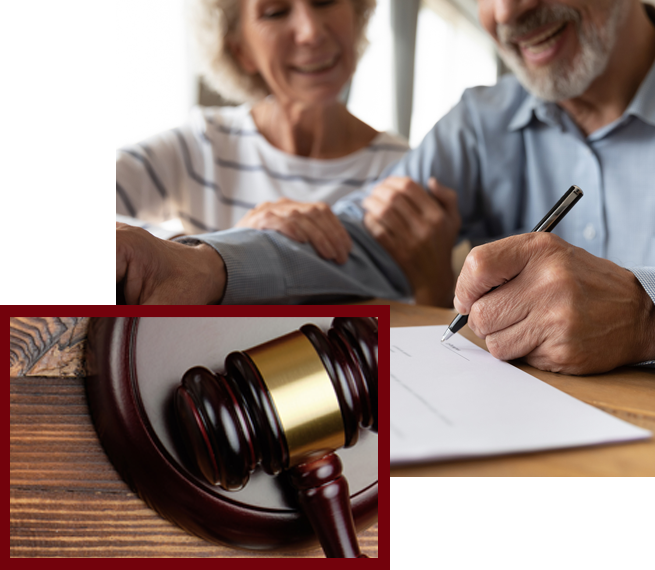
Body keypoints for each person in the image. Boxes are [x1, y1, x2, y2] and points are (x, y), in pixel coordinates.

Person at [117, 0, 655, 375]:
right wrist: (204, 264)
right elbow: (362, 237)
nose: (508, 10)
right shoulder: (479, 125)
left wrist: (644, 316)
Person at [116, 0, 408, 263]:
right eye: (275, 12)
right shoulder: (202, 144)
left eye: (324, 1)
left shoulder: (408, 171)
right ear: (241, 50)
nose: (311, 32)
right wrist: (214, 251)